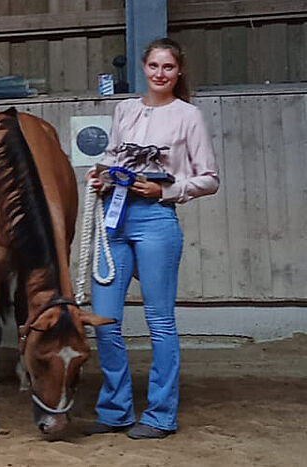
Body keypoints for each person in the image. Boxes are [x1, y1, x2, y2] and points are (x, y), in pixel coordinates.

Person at [85, 38, 219, 440]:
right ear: (144, 67)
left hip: (156, 219)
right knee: (105, 321)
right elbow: (113, 156)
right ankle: (115, 409)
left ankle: (160, 414)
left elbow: (209, 178)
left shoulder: (188, 116)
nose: (160, 74)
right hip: (115, 220)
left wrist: (166, 191)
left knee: (159, 321)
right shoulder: (124, 109)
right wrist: (100, 175)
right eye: (154, 66)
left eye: (168, 68)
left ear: (178, 73)